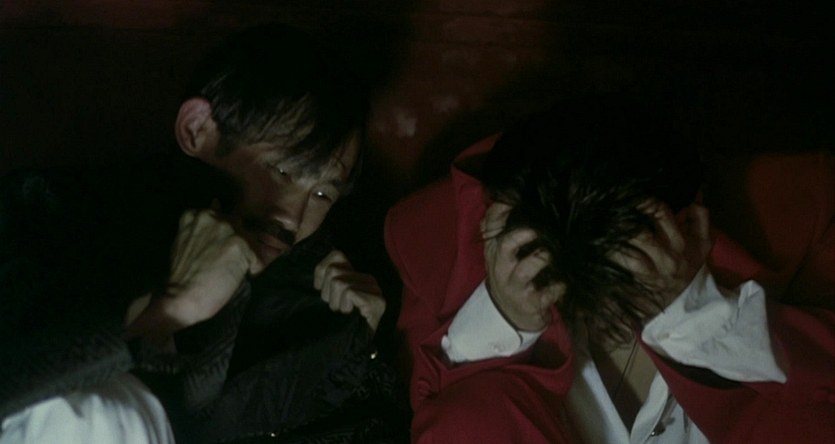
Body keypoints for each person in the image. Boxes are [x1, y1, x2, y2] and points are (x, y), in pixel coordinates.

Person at [0, 23, 405, 444]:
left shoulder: (317, 291)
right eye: (283, 170)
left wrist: (358, 343)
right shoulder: (52, 214)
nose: (293, 217)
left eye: (322, 194)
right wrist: (172, 310)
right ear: (196, 130)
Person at [385, 96, 834, 443]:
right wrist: (502, 315)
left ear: (690, 227)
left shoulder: (799, 211)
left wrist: (693, 313)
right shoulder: (434, 242)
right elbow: (440, 418)